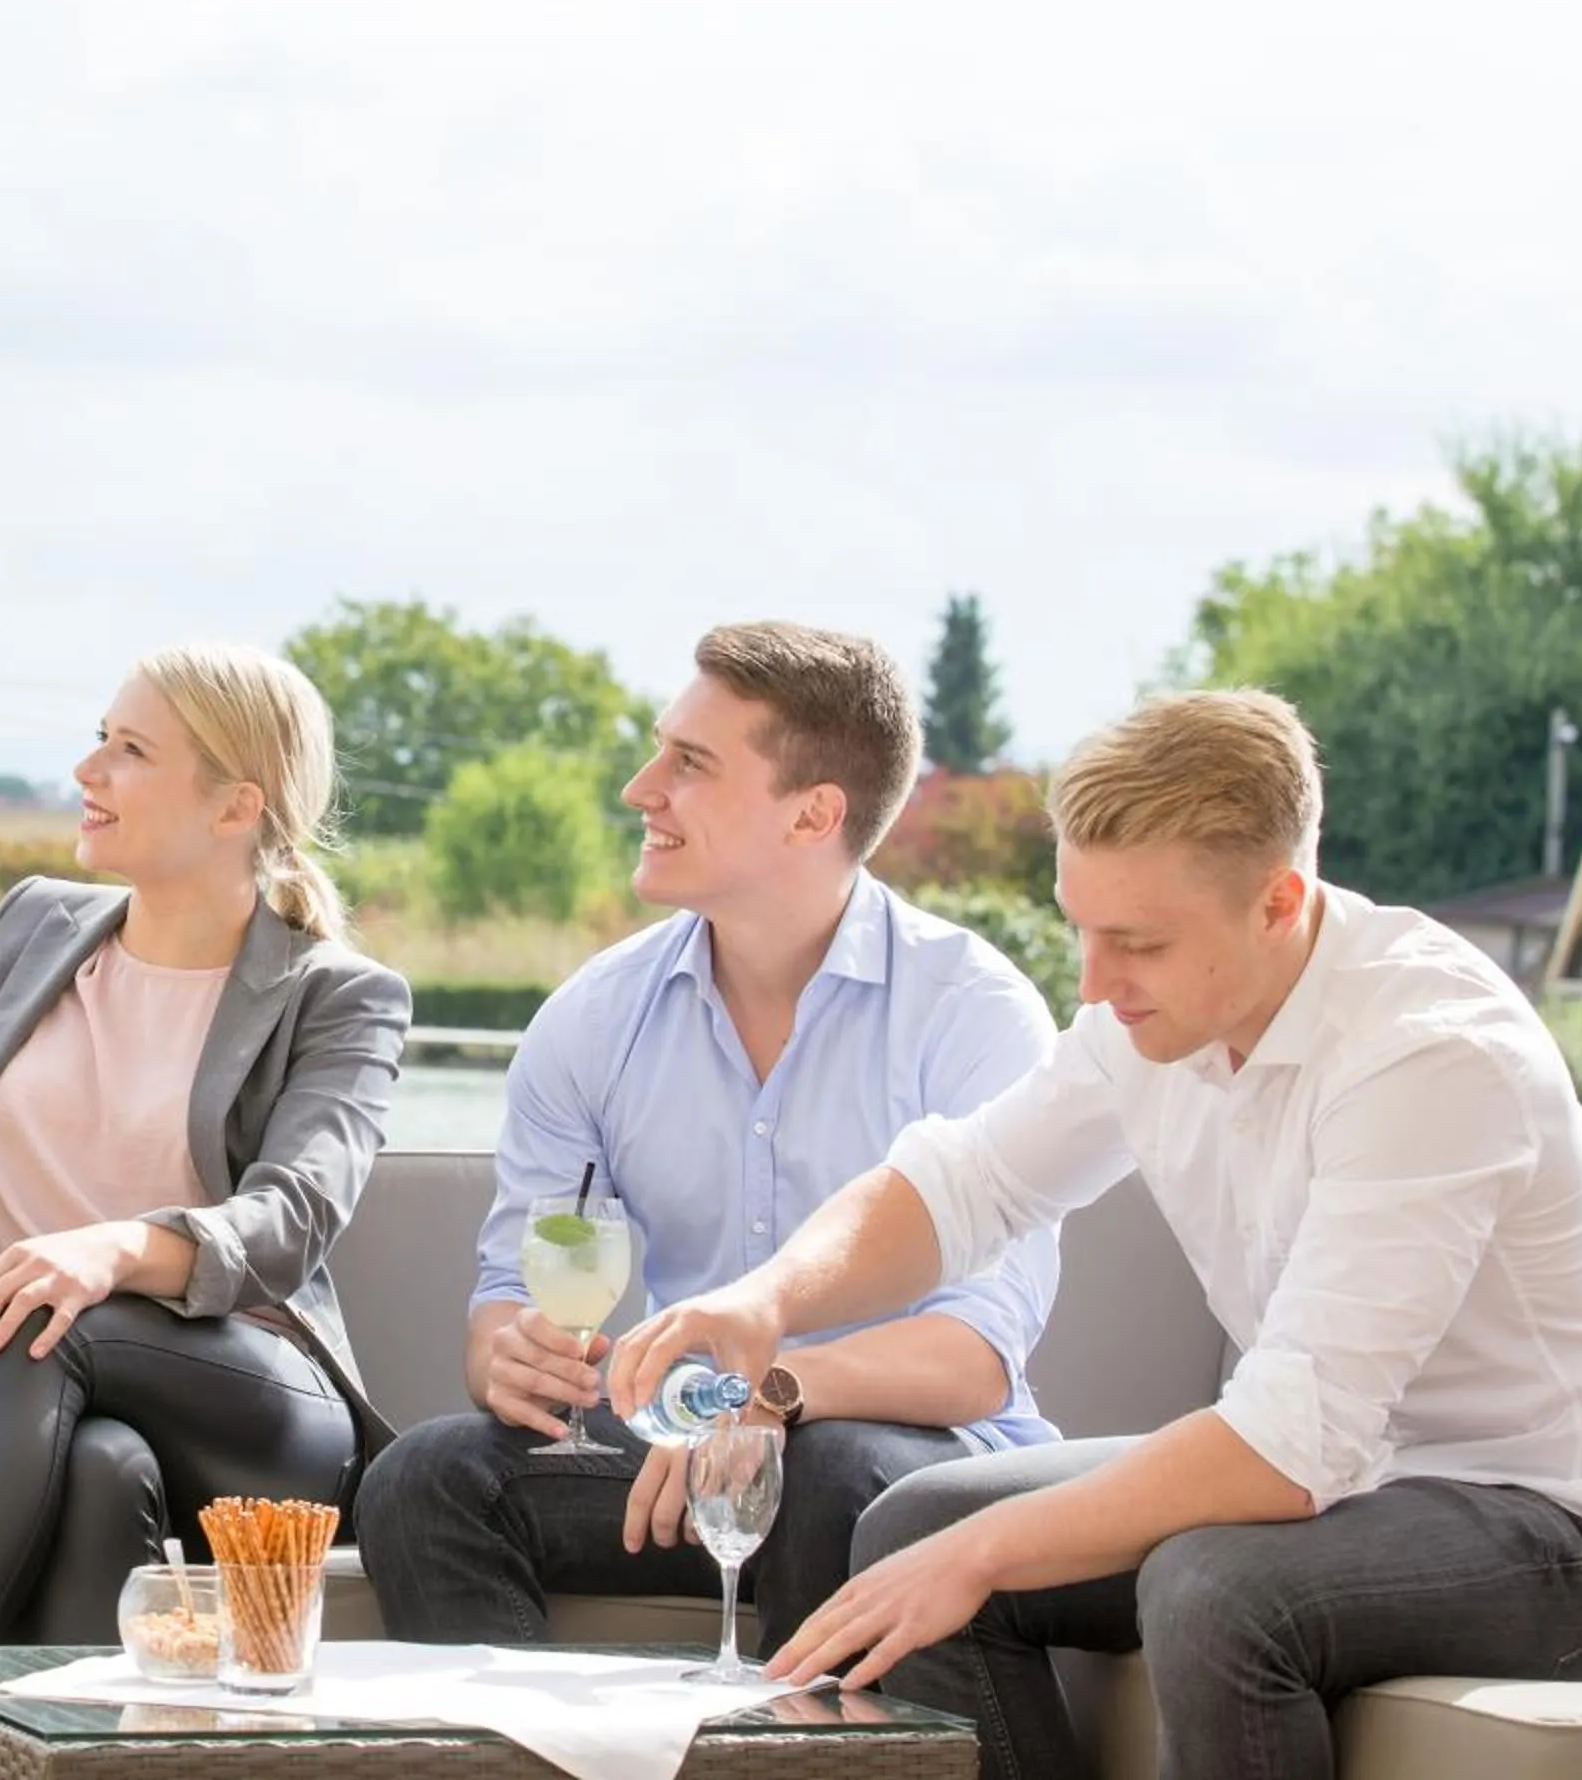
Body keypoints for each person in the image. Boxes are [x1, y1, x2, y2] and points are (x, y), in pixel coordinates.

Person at [612, 689, 1582, 1780]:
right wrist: (766, 1298)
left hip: (1560, 1518)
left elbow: (1291, 1443)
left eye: (1135, 941)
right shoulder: (1151, 1013)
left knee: (1216, 1587)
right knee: (913, 1525)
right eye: (1082, 927)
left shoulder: (1428, 1055)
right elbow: (964, 1184)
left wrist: (986, 1550)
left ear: (1280, 900)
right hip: (1361, 1474)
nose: (1094, 985)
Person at [0, 644, 411, 1778]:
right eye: (101, 735)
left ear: (235, 805)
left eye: (130, 748)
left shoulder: (338, 994)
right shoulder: (30, 929)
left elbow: (292, 1215)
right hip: (38, 1406)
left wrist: (106, 1250)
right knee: (101, 1469)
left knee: (54, 1311)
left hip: (252, 1403)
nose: (86, 767)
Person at [354, 621, 1062, 1655]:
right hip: (681, 1458)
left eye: (689, 763)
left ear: (813, 812)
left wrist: (762, 1397)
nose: (643, 787)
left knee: (833, 1470)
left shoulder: (973, 1013)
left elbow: (977, 1356)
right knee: (427, 1476)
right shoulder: (593, 1018)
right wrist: (513, 1354)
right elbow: (507, 1293)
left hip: (911, 1468)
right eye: (659, 750)